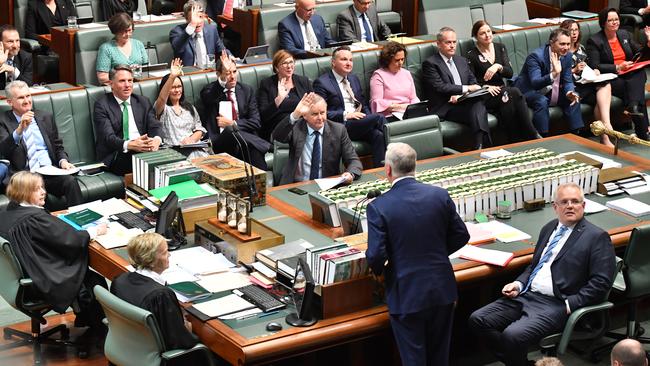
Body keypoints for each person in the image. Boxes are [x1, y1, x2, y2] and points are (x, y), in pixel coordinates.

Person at [469, 182, 616, 366]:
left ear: (583, 206)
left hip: (556, 303)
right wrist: (518, 284)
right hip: (526, 295)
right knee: (478, 320)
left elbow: (601, 282)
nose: (570, 205)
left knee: (512, 336)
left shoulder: (596, 237)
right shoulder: (549, 228)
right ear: (555, 207)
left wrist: (570, 304)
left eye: (575, 201)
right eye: (564, 202)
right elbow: (535, 266)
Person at [365, 142, 470, 366]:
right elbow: (462, 235)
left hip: (407, 293)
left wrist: (384, 269)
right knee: (439, 358)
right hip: (442, 289)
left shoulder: (379, 206)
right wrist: (438, 253)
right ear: (415, 166)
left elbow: (375, 255)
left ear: (388, 170)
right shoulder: (439, 195)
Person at [0, 171, 108, 339]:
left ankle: (84, 319)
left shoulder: (8, 212)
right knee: (95, 282)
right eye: (37, 189)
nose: (44, 191)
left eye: (42, 187)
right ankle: (100, 332)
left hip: (18, 279)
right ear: (23, 193)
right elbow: (70, 240)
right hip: (40, 280)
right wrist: (94, 231)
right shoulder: (35, 219)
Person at [0, 81, 83, 208]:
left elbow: (58, 146)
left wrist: (63, 161)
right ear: (10, 102)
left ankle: (82, 220)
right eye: (21, 98)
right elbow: (4, 150)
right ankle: (49, 226)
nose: (27, 101)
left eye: (28, 96)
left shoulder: (45, 116)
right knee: (38, 195)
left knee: (71, 182)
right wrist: (19, 129)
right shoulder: (3, 121)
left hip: (49, 172)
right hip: (24, 176)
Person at [111, 233, 199, 351]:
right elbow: (180, 342)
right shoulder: (160, 295)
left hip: (127, 346)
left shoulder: (120, 280)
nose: (169, 255)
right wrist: (188, 328)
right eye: (165, 252)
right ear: (150, 260)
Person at [466, 20, 541, 142]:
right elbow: (471, 82)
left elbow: (510, 72)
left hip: (503, 90)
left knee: (508, 100)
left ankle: (514, 140)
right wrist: (485, 87)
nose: (487, 35)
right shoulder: (471, 55)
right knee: (514, 92)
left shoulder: (500, 47)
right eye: (482, 33)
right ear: (476, 37)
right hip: (486, 93)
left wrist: (498, 66)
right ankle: (532, 133)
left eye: (489, 31)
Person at [422, 26, 496, 149]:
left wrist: (465, 93)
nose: (452, 45)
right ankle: (485, 145)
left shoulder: (461, 60)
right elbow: (440, 87)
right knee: (478, 109)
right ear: (439, 44)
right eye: (448, 42)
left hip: (465, 102)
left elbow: (474, 82)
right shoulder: (431, 63)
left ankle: (480, 146)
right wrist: (466, 89)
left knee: (477, 105)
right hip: (447, 107)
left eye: (454, 42)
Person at [313, 46, 386, 167]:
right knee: (379, 118)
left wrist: (367, 117)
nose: (348, 63)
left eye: (351, 60)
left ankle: (382, 170)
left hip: (359, 122)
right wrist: (346, 115)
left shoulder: (354, 78)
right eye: (344, 59)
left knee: (378, 135)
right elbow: (321, 112)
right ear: (333, 62)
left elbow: (363, 103)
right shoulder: (322, 82)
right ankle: (399, 154)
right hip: (341, 125)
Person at [586, 8, 650, 140]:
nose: (615, 22)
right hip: (612, 77)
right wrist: (617, 67)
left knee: (639, 75)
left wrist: (648, 43)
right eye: (610, 20)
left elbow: (640, 53)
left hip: (630, 73)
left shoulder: (624, 34)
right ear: (603, 23)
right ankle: (644, 132)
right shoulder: (595, 40)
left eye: (616, 19)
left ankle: (633, 105)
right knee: (636, 93)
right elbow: (594, 65)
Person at [272, 92, 362, 184]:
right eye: (314, 114)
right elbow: (277, 137)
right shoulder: (296, 127)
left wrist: (351, 174)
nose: (320, 117)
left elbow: (353, 160)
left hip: (326, 186)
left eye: (322, 113)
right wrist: (295, 114)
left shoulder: (338, 130)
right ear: (304, 116)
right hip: (296, 186)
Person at [200, 53, 270, 170]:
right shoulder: (210, 90)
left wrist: (233, 124)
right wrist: (222, 81)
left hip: (244, 141)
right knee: (229, 131)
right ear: (218, 75)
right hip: (220, 140)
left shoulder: (247, 90)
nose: (232, 76)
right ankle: (265, 145)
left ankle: (262, 185)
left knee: (253, 150)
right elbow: (208, 98)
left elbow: (255, 121)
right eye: (227, 73)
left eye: (234, 72)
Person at [93, 65, 162, 175]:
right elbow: (108, 138)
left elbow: (155, 126)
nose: (127, 85)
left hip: (144, 150)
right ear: (111, 84)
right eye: (122, 81)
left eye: (130, 81)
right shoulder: (102, 105)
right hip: (117, 154)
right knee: (146, 165)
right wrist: (130, 145)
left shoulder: (143, 101)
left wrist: (156, 140)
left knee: (170, 156)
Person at [514, 28, 583, 137]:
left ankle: (577, 134)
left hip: (551, 91)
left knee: (574, 97)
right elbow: (535, 82)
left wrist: (569, 92)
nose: (566, 48)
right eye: (562, 44)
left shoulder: (567, 56)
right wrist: (554, 74)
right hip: (530, 91)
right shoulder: (536, 57)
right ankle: (543, 137)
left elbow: (567, 80)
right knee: (541, 101)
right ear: (552, 43)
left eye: (568, 44)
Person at [559, 19, 615, 147]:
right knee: (598, 99)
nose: (573, 33)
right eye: (570, 30)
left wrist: (594, 70)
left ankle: (606, 130)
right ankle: (606, 133)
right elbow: (558, 75)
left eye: (576, 30)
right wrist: (574, 70)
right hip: (572, 86)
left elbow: (588, 65)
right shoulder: (561, 49)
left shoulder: (581, 48)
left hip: (586, 82)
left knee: (605, 85)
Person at [154, 58, 208, 159]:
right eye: (173, 87)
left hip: (195, 148)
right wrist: (172, 76)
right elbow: (162, 98)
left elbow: (199, 129)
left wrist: (191, 139)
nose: (177, 90)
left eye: (179, 86)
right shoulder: (163, 108)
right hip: (175, 152)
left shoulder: (189, 107)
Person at [257, 49, 313, 141]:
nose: (289, 66)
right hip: (279, 128)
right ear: (276, 68)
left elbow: (314, 104)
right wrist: (279, 99)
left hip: (304, 122)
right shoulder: (267, 84)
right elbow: (263, 116)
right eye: (284, 63)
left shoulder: (303, 81)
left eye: (291, 62)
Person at [169, 1, 230, 69]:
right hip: (188, 75)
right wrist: (192, 25)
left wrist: (231, 57)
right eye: (194, 18)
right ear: (186, 19)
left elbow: (222, 50)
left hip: (209, 71)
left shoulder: (211, 30)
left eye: (200, 17)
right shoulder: (177, 32)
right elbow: (178, 49)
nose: (198, 22)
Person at [369, 41, 420, 120]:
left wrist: (417, 108)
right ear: (388, 60)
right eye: (397, 60)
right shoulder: (378, 75)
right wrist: (403, 107)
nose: (401, 63)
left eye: (402, 59)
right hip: (390, 116)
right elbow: (377, 102)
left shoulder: (406, 73)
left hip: (409, 113)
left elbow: (413, 98)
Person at [96, 12, 148, 85]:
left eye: (129, 30)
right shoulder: (106, 48)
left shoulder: (138, 44)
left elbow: (148, 68)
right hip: (118, 87)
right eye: (123, 31)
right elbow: (102, 77)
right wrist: (126, 76)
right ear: (115, 31)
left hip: (140, 84)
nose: (127, 34)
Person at [0, 25, 33, 91]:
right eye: (10, 41)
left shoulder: (25, 57)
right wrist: (0, 63)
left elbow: (28, 85)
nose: (15, 46)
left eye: (17, 40)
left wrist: (13, 71)